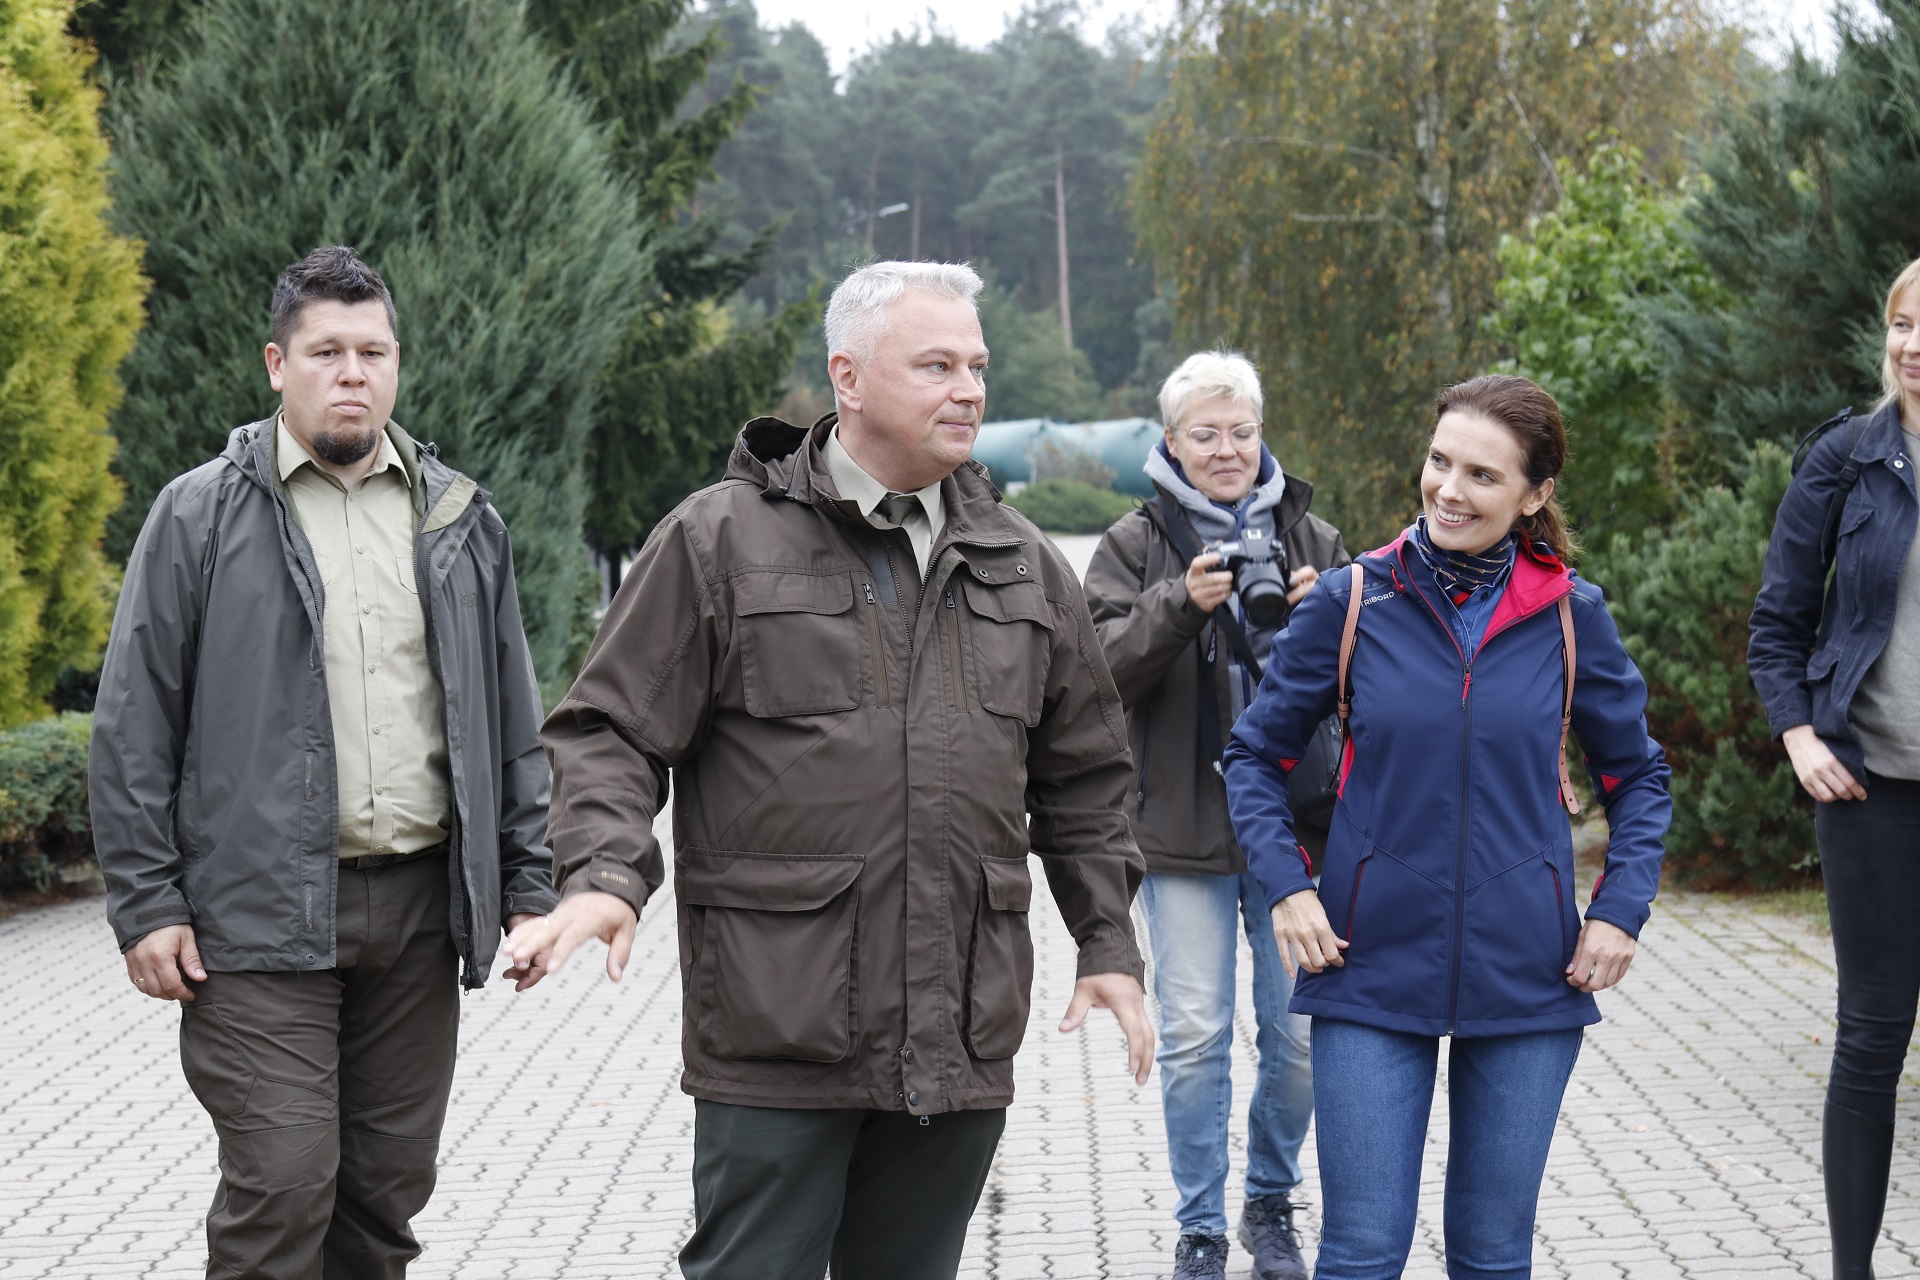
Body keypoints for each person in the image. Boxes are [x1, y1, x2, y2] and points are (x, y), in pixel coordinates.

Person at [504, 260, 1153, 1280]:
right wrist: (604, 876)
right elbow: (607, 729)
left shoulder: (1024, 562)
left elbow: (1085, 778)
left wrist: (1107, 940)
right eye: (937, 365)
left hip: (956, 1036)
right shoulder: (720, 540)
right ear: (848, 377)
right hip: (779, 1029)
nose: (970, 390)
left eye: (977, 366)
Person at [91, 246, 558, 1279]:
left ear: (396, 363)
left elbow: (510, 719)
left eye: (373, 352)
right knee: (285, 1183)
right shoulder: (198, 515)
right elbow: (132, 725)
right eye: (326, 352)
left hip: (419, 916)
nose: (353, 373)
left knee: (383, 1198)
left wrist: (530, 887)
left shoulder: (459, 519)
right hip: (254, 918)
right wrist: (147, 903)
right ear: (277, 364)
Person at [1223, 374, 1671, 1279]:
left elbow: (1638, 776)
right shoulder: (1352, 601)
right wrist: (1288, 887)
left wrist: (1620, 911)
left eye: (1483, 475)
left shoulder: (1572, 616)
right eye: (1440, 462)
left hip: (1529, 970)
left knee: (1494, 1255)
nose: (1449, 491)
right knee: (1360, 1252)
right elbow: (1253, 756)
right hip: (1367, 962)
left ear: (1535, 494)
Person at [1084, 351, 1347, 1280]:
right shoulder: (1133, 543)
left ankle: (1269, 1202)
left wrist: (1333, 624)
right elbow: (1094, 674)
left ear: (1261, 432)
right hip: (1181, 827)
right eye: (1206, 434)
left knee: (1302, 1038)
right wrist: (1179, 605)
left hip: (1297, 828)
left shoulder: (1316, 536)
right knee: (1195, 1038)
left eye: (1241, 431)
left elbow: (1377, 686)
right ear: (1171, 441)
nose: (1227, 449)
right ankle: (1199, 1226)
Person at [1749, 257, 1920, 1280]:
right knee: (1870, 1037)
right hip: (1871, 795)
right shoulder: (1845, 460)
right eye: (1902, 323)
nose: (1913, 345)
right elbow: (1777, 623)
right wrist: (1800, 735)